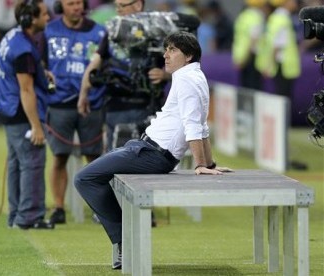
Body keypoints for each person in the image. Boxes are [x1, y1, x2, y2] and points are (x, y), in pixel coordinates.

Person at [74, 31, 232, 270]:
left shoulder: (187, 79)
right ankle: (124, 237)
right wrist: (208, 164)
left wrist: (200, 165)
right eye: (166, 49)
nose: (165, 55)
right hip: (145, 149)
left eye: (172, 50)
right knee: (93, 174)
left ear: (188, 55)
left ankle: (123, 240)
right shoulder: (193, 76)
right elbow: (201, 124)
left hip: (152, 154)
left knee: (84, 178)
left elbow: (193, 125)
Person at [39, 0, 106, 224]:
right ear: (61, 6)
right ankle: (59, 207)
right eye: (70, 3)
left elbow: (106, 64)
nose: (76, 7)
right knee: (59, 157)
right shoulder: (48, 30)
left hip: (91, 103)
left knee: (95, 158)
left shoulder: (99, 31)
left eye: (79, 2)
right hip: (59, 102)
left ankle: (99, 208)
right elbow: (39, 62)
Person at [0, 0, 54, 230]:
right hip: (20, 111)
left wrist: (40, 73)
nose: (48, 18)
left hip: (7, 107)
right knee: (33, 162)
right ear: (30, 19)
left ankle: (16, 215)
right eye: (44, 14)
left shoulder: (13, 36)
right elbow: (26, 90)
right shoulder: (24, 50)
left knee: (17, 163)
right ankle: (29, 217)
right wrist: (36, 126)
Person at [79, 0, 170, 153]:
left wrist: (165, 75)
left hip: (147, 107)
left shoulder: (157, 31)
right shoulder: (113, 32)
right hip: (116, 106)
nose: (118, 10)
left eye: (122, 6)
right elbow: (95, 62)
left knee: (145, 162)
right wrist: (83, 93)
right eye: (117, 6)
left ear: (138, 5)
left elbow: (183, 67)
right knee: (113, 161)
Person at [232, 0, 267, 90]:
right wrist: (245, 57)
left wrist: (240, 58)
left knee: (245, 86)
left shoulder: (243, 16)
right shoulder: (257, 17)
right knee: (254, 87)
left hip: (242, 55)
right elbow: (254, 39)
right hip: (251, 55)